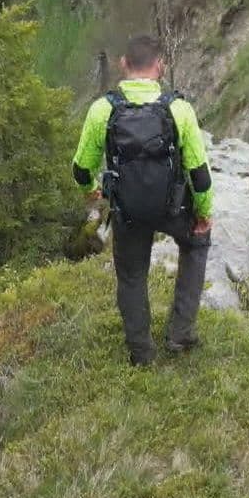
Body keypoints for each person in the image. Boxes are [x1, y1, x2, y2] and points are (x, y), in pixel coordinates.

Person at [71, 35, 214, 366]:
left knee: (132, 275)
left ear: (123, 65)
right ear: (160, 67)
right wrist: (203, 214)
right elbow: (200, 175)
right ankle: (181, 333)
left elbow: (80, 169)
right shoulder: (178, 109)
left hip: (128, 211)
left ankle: (141, 353)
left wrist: (91, 190)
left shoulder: (103, 110)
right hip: (173, 208)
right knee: (196, 245)